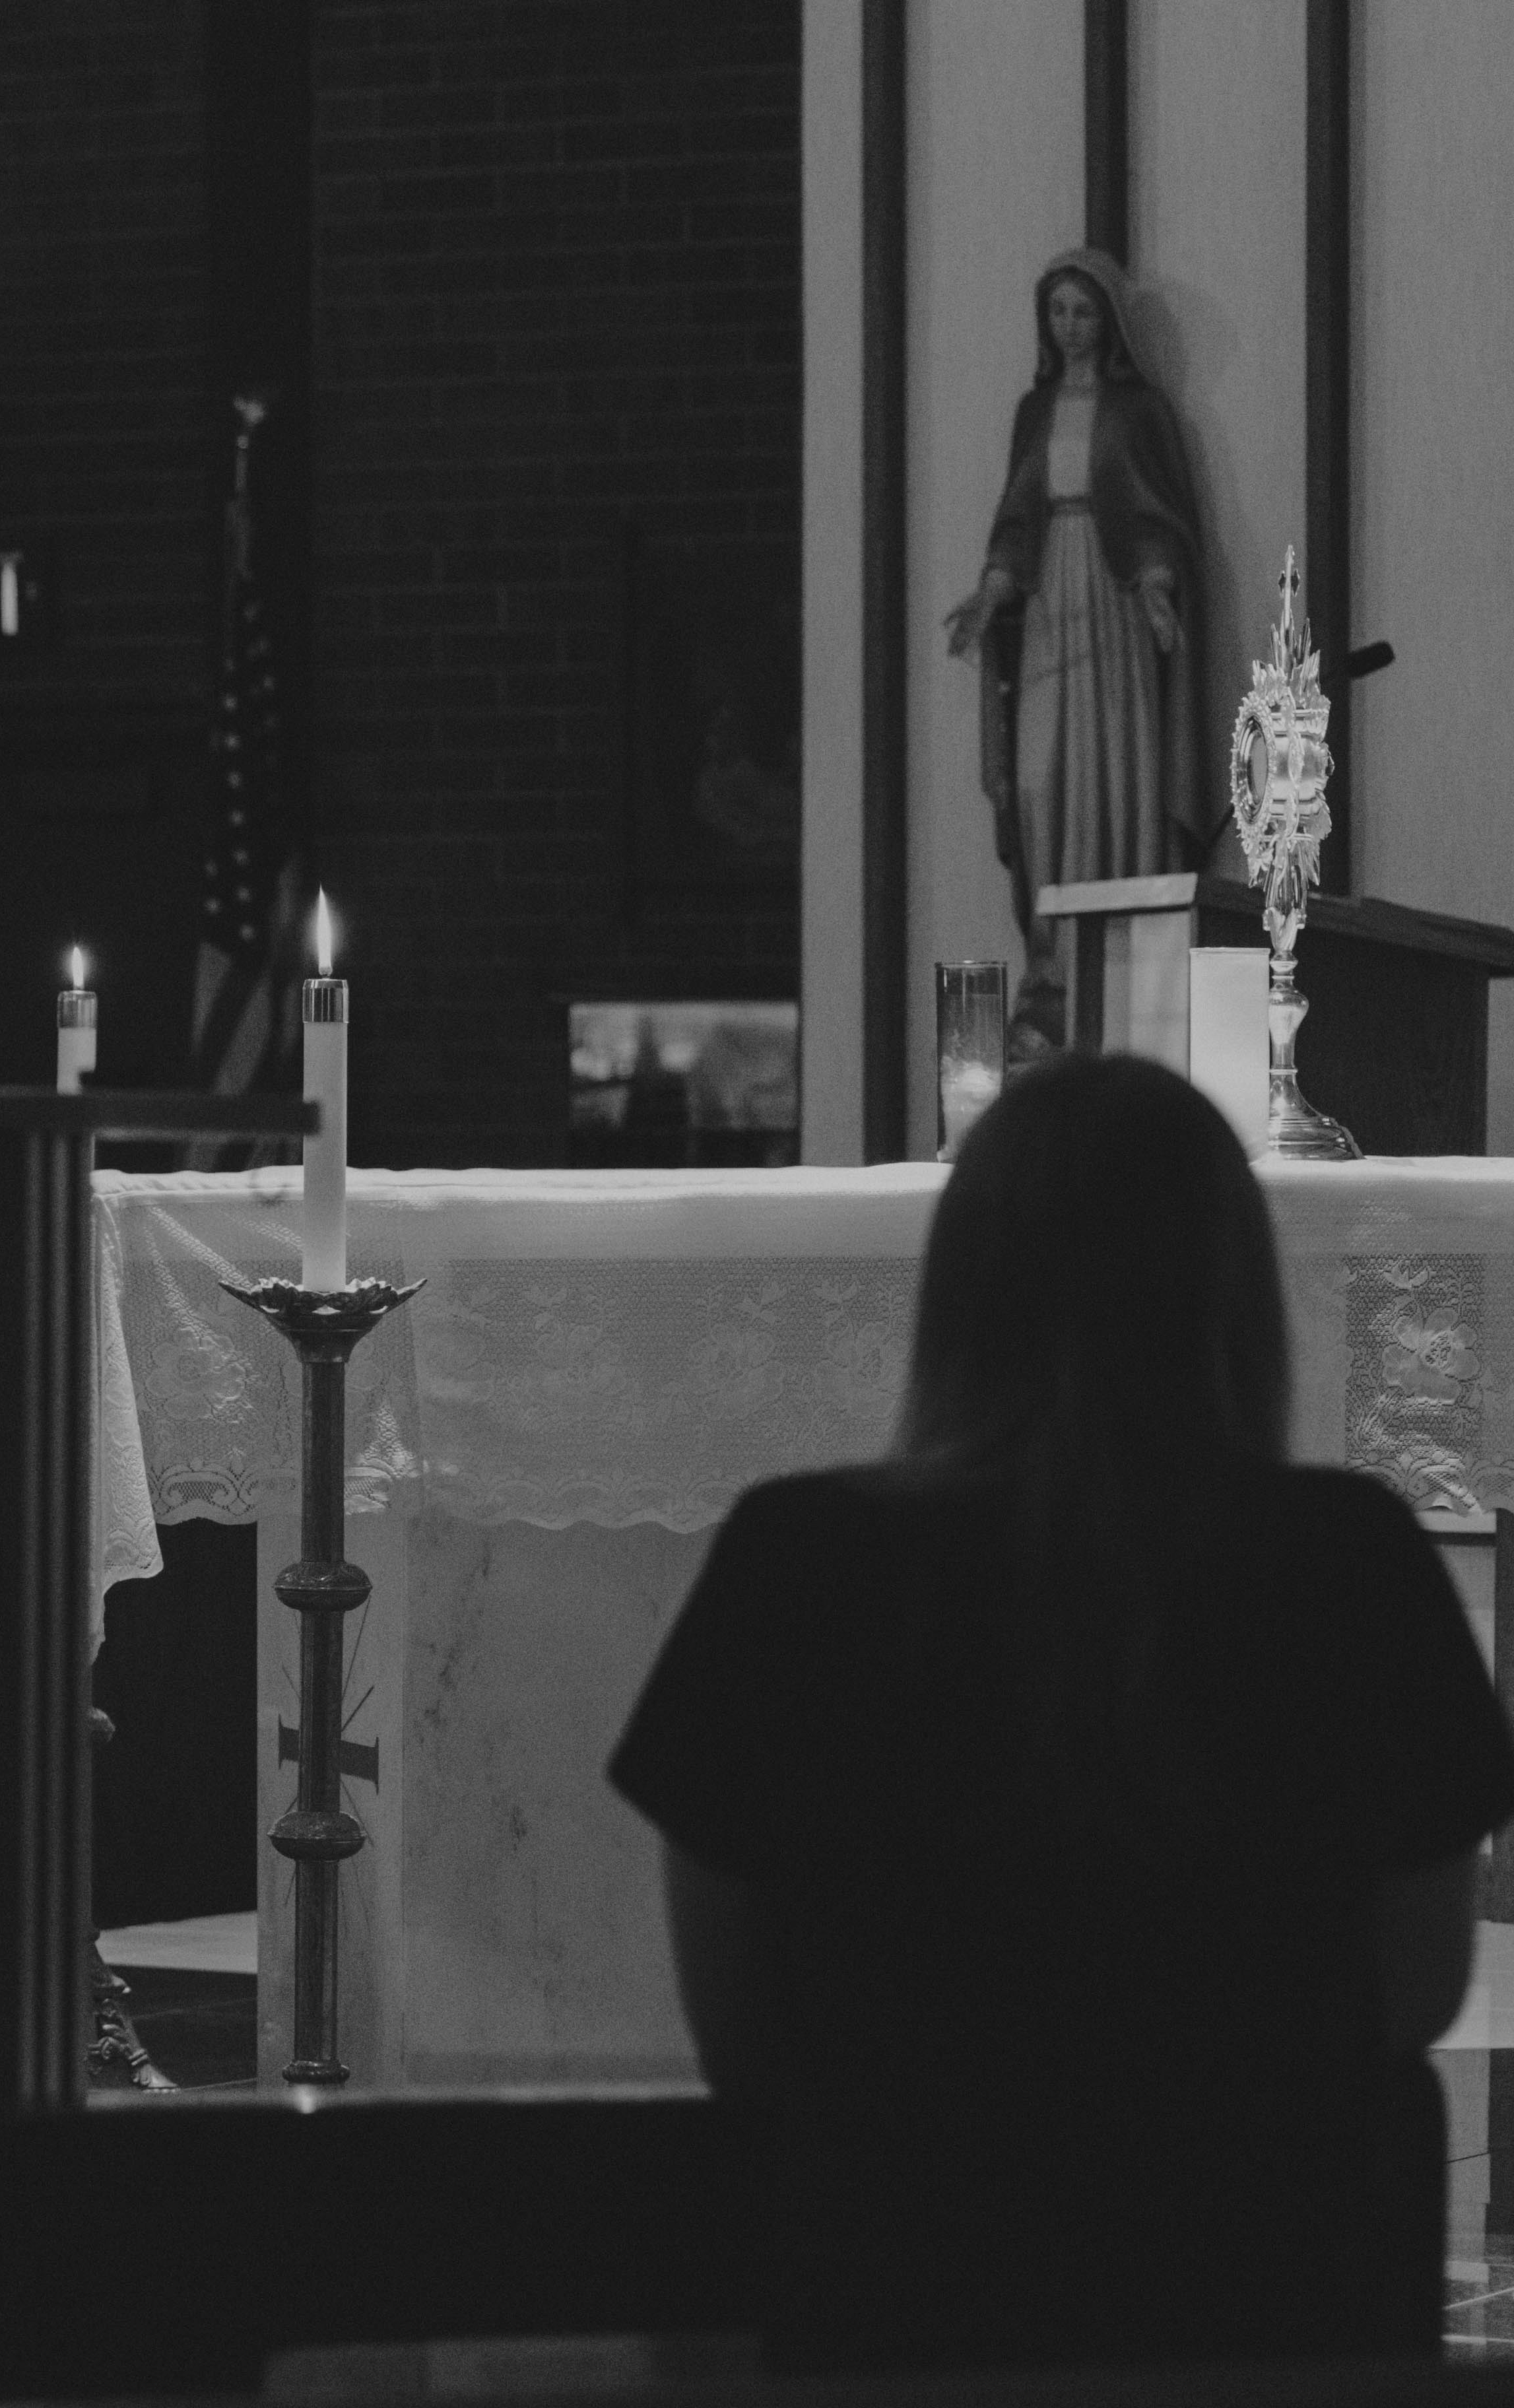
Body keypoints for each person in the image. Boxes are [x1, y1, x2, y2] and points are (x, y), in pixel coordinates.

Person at [609, 1053, 1514, 2374]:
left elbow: (744, 2032)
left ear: (962, 1288)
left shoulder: (800, 1559)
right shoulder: (1350, 1560)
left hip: (897, 2290)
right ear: (1234, 1291)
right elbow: (1414, 1993)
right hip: (1260, 2294)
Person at [944, 249, 1209, 1051]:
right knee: (1040, 781)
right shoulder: (1036, 410)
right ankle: (1051, 968)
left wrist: (1160, 584)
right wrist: (993, 588)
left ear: (1110, 321)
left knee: (1117, 773)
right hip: (1049, 605)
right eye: (1057, 311)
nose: (1070, 327)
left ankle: (1122, 965)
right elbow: (1017, 515)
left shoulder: (1141, 413)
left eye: (1083, 311)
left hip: (1117, 603)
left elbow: (1162, 515)